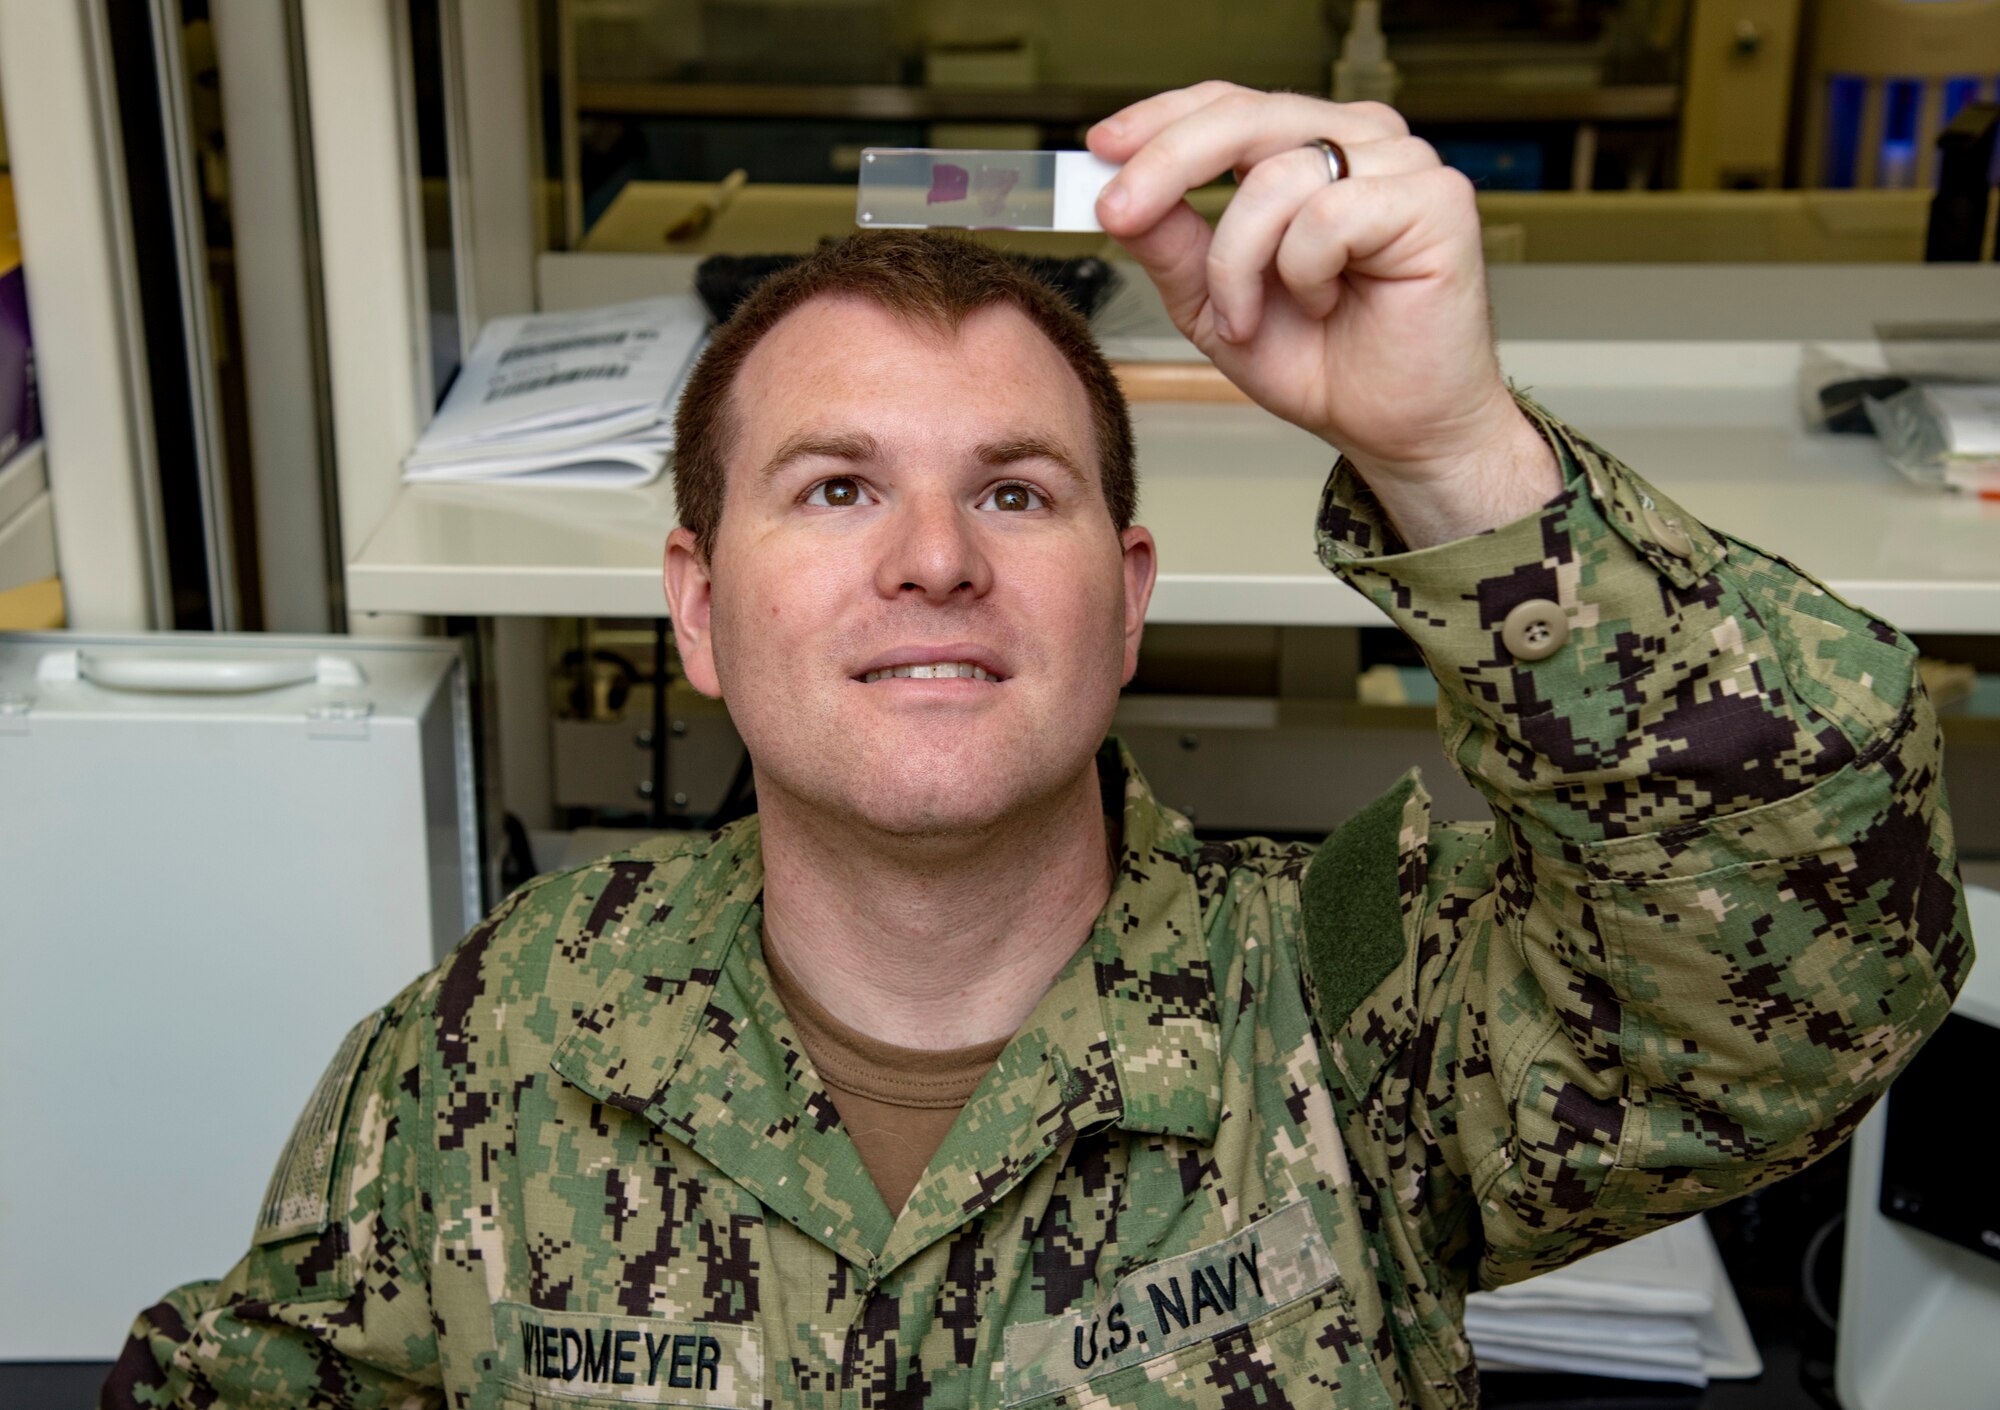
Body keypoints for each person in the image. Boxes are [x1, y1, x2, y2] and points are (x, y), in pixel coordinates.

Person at [107, 83, 1970, 1410]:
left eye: (1016, 488)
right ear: (695, 605)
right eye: (838, 488)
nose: (934, 557)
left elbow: (1816, 940)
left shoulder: (1356, 1014)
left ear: (1126, 591)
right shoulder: (493, 1049)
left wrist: (1452, 444)